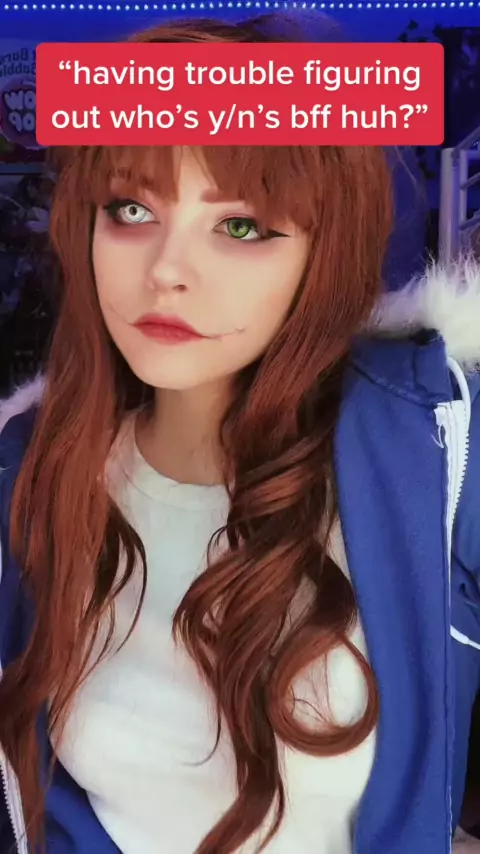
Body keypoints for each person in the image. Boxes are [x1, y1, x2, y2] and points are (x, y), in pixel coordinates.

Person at [0, 15, 479, 854]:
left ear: (323, 255)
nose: (166, 270)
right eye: (131, 209)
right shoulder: (32, 470)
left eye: (243, 226)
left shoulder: (435, 453)